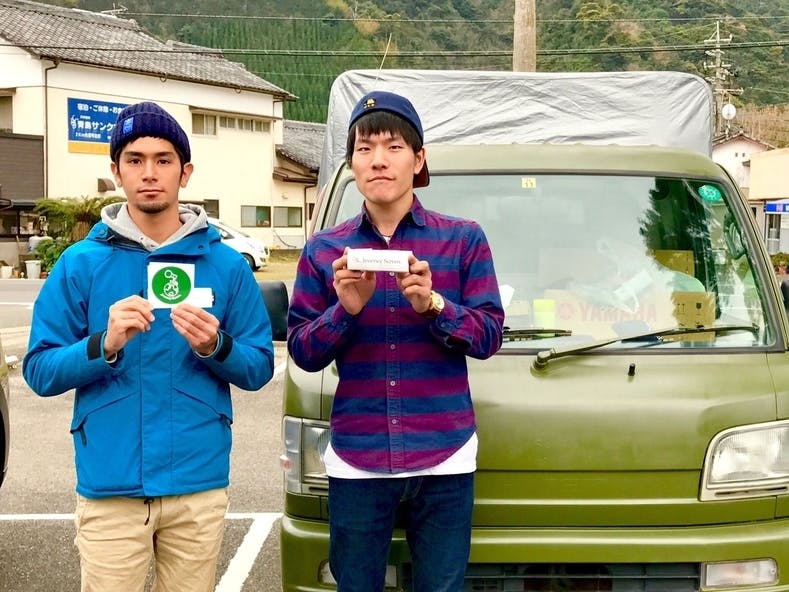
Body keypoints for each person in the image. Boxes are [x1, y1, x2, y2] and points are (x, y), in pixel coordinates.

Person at [23, 101, 275, 592]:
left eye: (163, 160)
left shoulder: (225, 265)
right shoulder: (80, 263)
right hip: (110, 483)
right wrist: (103, 344)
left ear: (186, 171)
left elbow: (259, 366)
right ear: (117, 172)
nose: (150, 173)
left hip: (196, 484)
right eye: (135, 160)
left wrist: (216, 346)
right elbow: (39, 369)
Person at [287, 90, 505, 591]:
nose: (378, 160)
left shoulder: (462, 239)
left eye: (393, 147)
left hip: (445, 453)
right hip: (357, 457)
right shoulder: (325, 250)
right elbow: (301, 350)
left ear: (419, 159)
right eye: (364, 149)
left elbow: (489, 335)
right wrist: (345, 310)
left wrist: (435, 305)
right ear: (351, 163)